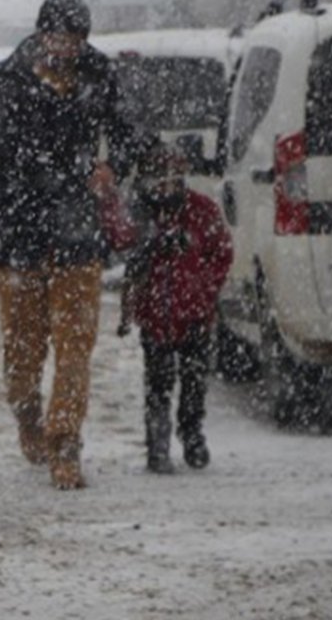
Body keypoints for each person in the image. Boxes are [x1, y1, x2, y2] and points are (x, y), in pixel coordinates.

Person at [0, 0, 147, 490]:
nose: (66, 50)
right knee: (22, 356)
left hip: (78, 234)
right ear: (41, 35)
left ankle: (65, 443)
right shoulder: (2, 80)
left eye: (75, 41)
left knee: (74, 347)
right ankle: (27, 417)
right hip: (19, 232)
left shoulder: (99, 74)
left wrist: (114, 165)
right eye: (58, 39)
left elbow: (129, 134)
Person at [117, 144, 232, 474]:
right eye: (158, 181)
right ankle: (158, 442)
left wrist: (205, 289)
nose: (164, 189)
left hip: (195, 314)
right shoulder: (142, 216)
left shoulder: (202, 211)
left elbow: (221, 254)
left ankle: (192, 431)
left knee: (194, 380)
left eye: (172, 180)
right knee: (157, 383)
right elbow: (127, 253)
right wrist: (151, 245)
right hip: (154, 316)